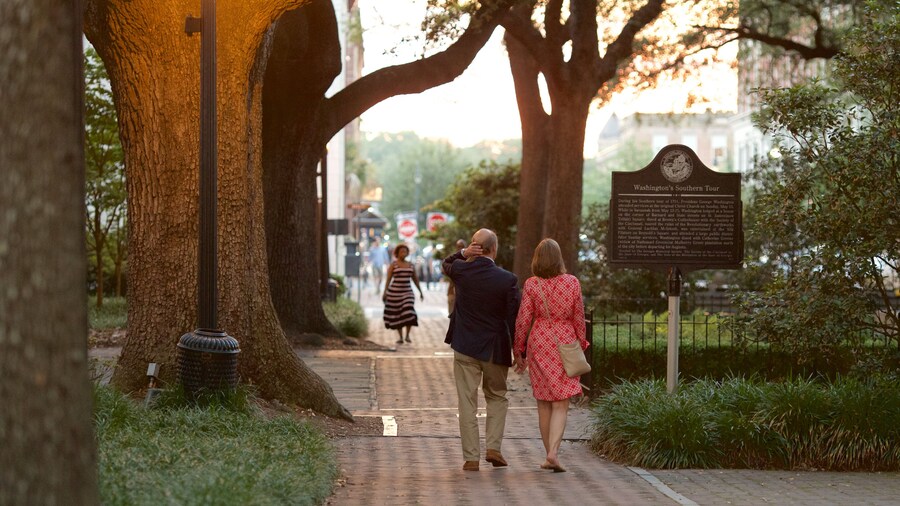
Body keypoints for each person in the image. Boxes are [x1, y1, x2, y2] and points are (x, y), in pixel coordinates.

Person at [442, 229, 519, 471]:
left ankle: (471, 458)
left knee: (467, 402)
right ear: (494, 249)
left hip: (465, 346)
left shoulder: (462, 271)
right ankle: (494, 448)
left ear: (476, 248)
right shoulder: (507, 280)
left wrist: (463, 253)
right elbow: (513, 318)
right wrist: (520, 351)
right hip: (495, 348)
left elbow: (446, 264)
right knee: (497, 396)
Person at [513, 238, 588, 473]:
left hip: (540, 341)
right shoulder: (572, 283)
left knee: (543, 402)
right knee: (561, 402)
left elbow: (523, 319)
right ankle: (553, 453)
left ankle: (549, 455)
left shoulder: (532, 284)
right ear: (559, 259)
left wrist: (519, 350)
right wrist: (581, 343)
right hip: (564, 340)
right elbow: (579, 316)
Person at [382, 243, 424, 344]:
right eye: (401, 251)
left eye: (405, 251)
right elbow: (388, 279)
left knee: (409, 311)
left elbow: (415, 280)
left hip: (407, 292)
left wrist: (420, 292)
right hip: (394, 294)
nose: (403, 253)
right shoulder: (393, 265)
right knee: (398, 316)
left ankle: (407, 335)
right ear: (397, 253)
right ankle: (400, 337)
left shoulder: (410, 265)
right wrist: (385, 292)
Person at [446, 239, 466, 316]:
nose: (460, 248)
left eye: (462, 246)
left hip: (464, 293)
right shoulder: (452, 258)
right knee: (451, 314)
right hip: (452, 291)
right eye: (458, 246)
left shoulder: (469, 259)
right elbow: (444, 269)